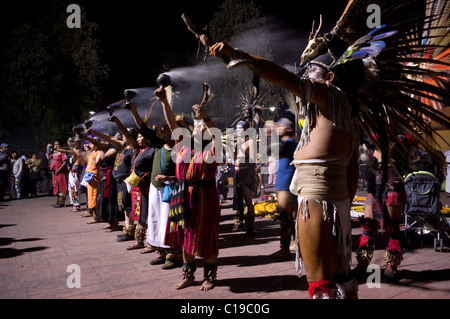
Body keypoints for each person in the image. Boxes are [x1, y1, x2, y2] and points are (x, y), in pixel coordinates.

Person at [210, 43, 360, 299]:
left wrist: (243, 57)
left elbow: (283, 78)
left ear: (331, 76)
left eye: (312, 69)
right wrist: (342, 203)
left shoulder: (327, 93)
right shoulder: (347, 110)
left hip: (318, 198)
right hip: (335, 201)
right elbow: (353, 168)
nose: (305, 74)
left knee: (319, 281)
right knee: (340, 273)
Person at [155, 87, 221, 291]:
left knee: (207, 235)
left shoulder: (213, 148)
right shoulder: (182, 146)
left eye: (202, 126)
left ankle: (210, 277)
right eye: (197, 125)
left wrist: (206, 117)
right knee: (186, 234)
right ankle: (189, 275)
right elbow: (171, 123)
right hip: (183, 195)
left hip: (206, 197)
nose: (199, 127)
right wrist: (164, 101)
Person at [123, 101, 182, 268]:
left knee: (168, 223)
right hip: (156, 190)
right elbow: (142, 127)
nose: (162, 129)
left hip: (170, 190)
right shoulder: (158, 144)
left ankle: (174, 255)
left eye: (167, 127)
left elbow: (185, 174)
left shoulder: (180, 149)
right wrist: (133, 109)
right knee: (155, 221)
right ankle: (161, 252)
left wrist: (169, 177)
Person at [354, 135, 410, 281]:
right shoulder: (372, 145)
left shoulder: (398, 140)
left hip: (392, 188)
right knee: (367, 226)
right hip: (375, 189)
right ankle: (363, 264)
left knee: (392, 228)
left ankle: (392, 266)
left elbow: (405, 152)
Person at [270, 118, 298, 258]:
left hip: (285, 184)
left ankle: (285, 247)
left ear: (288, 128)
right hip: (286, 183)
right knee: (292, 217)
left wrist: (268, 133)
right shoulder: (289, 143)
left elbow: (271, 150)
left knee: (285, 217)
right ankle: (294, 244)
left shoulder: (288, 144)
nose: (278, 127)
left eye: (281, 125)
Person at [231, 120, 256, 235]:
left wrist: (249, 177)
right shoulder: (236, 143)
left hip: (246, 173)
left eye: (240, 129)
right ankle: (238, 223)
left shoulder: (250, 142)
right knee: (238, 199)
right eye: (236, 129)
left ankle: (250, 226)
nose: (237, 131)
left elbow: (252, 162)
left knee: (248, 200)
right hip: (237, 173)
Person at [49, 140, 68, 208]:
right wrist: (49, 148)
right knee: (56, 186)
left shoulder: (62, 152)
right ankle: (58, 201)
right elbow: (49, 154)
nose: (56, 146)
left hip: (60, 172)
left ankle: (61, 202)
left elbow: (65, 162)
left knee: (62, 185)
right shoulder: (54, 153)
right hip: (55, 173)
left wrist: (58, 170)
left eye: (58, 144)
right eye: (55, 144)